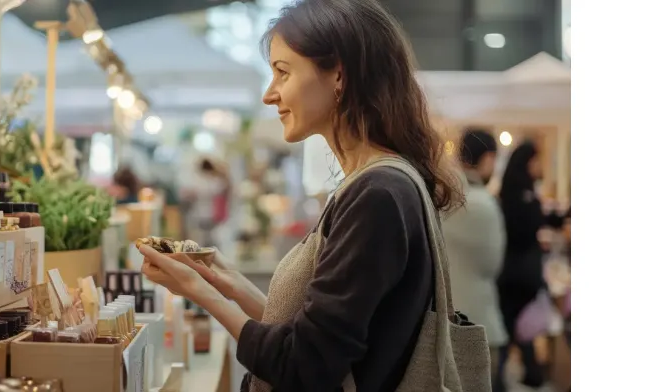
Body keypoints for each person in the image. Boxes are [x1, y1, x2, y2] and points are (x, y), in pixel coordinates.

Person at [138, 1, 478, 391]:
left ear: (339, 75)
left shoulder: (378, 194)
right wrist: (225, 280)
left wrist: (199, 293)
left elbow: (305, 365)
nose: (270, 95)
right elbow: (316, 334)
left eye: (282, 72)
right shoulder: (373, 184)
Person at [442, 129, 509, 391]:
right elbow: (493, 265)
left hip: (445, 318)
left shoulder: (441, 197)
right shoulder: (484, 204)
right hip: (480, 320)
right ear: (489, 158)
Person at [496, 141, 548, 388]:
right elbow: (526, 230)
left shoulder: (506, 193)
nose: (540, 166)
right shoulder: (524, 194)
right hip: (522, 271)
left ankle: (517, 375)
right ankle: (526, 375)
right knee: (516, 326)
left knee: (512, 324)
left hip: (510, 270)